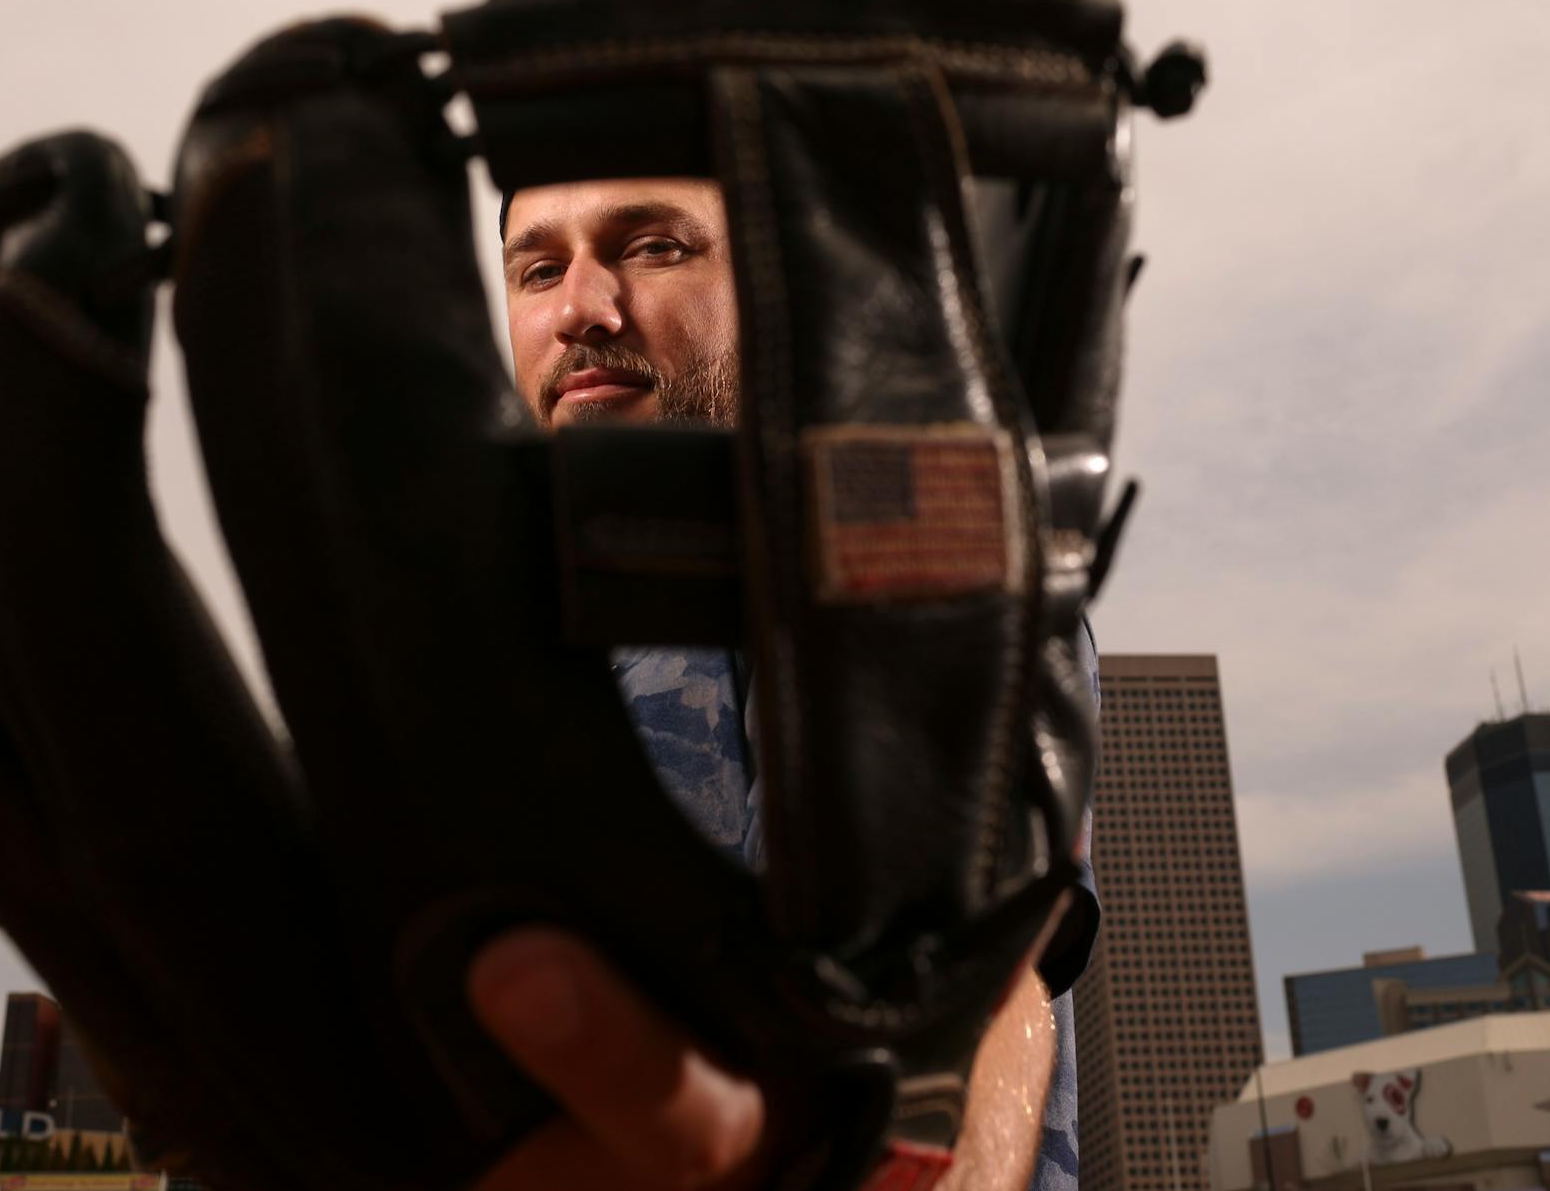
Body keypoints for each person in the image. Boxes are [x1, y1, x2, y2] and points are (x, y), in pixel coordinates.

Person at [463, 178, 1100, 1191]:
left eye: (656, 248)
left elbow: (963, 989)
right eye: (540, 270)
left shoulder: (884, 545)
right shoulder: (462, 633)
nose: (583, 306)